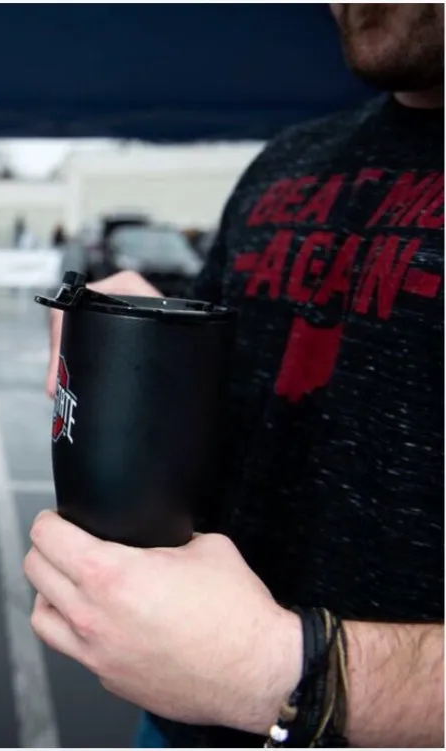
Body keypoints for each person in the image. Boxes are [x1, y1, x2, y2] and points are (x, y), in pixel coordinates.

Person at [30, 3, 443, 747]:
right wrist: (137, 363)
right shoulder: (285, 164)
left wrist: (282, 670)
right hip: (180, 722)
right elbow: (241, 421)